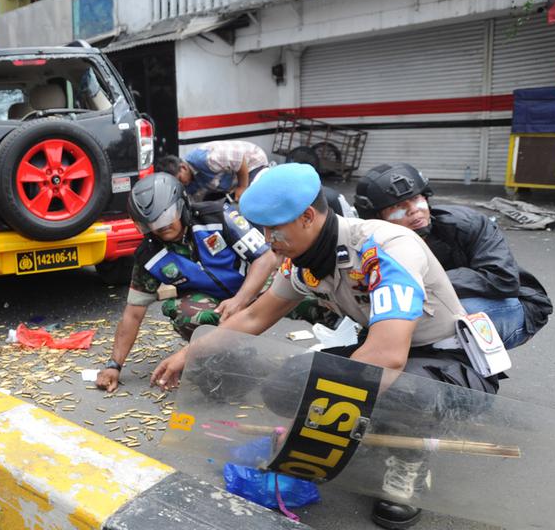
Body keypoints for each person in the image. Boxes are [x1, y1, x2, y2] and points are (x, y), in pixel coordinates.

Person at [151, 164, 498, 529]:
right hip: (395, 354)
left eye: (274, 229)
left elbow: (386, 355)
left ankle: (409, 462)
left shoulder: (384, 247)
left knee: (400, 394)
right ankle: (371, 433)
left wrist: (315, 427)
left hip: (448, 366)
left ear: (306, 217)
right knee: (287, 385)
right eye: (263, 228)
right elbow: (254, 318)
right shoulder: (304, 262)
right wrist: (190, 353)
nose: (268, 239)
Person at [96, 172, 277, 393]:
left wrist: (240, 300)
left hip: (262, 288)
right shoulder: (149, 255)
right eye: (149, 223)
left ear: (182, 206)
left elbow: (266, 258)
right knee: (184, 310)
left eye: (164, 218)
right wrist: (114, 365)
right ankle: (225, 353)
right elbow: (133, 313)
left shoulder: (219, 216)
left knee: (309, 292)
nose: (159, 228)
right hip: (218, 303)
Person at [353, 163, 552, 349]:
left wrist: (424, 284)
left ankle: (457, 371)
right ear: (377, 218)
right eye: (398, 206)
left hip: (517, 306)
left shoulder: (469, 224)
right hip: (440, 305)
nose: (414, 211)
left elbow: (503, 279)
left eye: (416, 199)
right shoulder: (372, 243)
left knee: (434, 323)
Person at [156, 140, 269, 201]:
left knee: (247, 200)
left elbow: (240, 159)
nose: (181, 184)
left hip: (252, 163)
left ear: (183, 167)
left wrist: (242, 187)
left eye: (180, 179)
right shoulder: (188, 181)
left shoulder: (207, 159)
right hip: (230, 180)